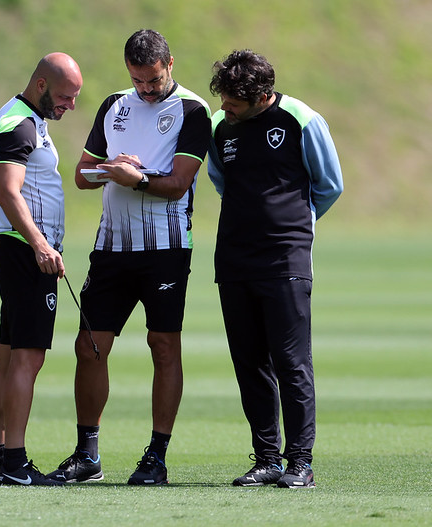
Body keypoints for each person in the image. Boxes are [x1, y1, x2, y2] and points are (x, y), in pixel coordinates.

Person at [47, 29, 210, 485]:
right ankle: (87, 455)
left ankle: (156, 457)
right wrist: (110, 169)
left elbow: (178, 184)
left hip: (166, 248)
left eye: (152, 80)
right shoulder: (114, 104)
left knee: (163, 347)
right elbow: (82, 175)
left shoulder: (194, 111)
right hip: (112, 247)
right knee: (89, 347)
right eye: (138, 80)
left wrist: (133, 177)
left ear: (170, 64)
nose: (145, 89)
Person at [206, 49, 343, 488]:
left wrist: (291, 226)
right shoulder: (219, 125)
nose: (224, 107)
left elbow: (329, 185)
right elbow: (221, 179)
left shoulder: (301, 119)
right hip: (233, 259)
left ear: (262, 96)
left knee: (291, 362)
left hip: (285, 259)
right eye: (222, 98)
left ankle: (300, 461)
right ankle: (266, 458)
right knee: (249, 362)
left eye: (232, 101)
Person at [0, 52, 83, 486]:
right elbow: (9, 193)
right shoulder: (19, 125)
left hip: (21, 250)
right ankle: (15, 463)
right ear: (41, 85)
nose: (70, 106)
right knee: (28, 356)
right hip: (26, 252)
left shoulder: (27, 119)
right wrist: (41, 245)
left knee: (9, 352)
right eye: (65, 96)